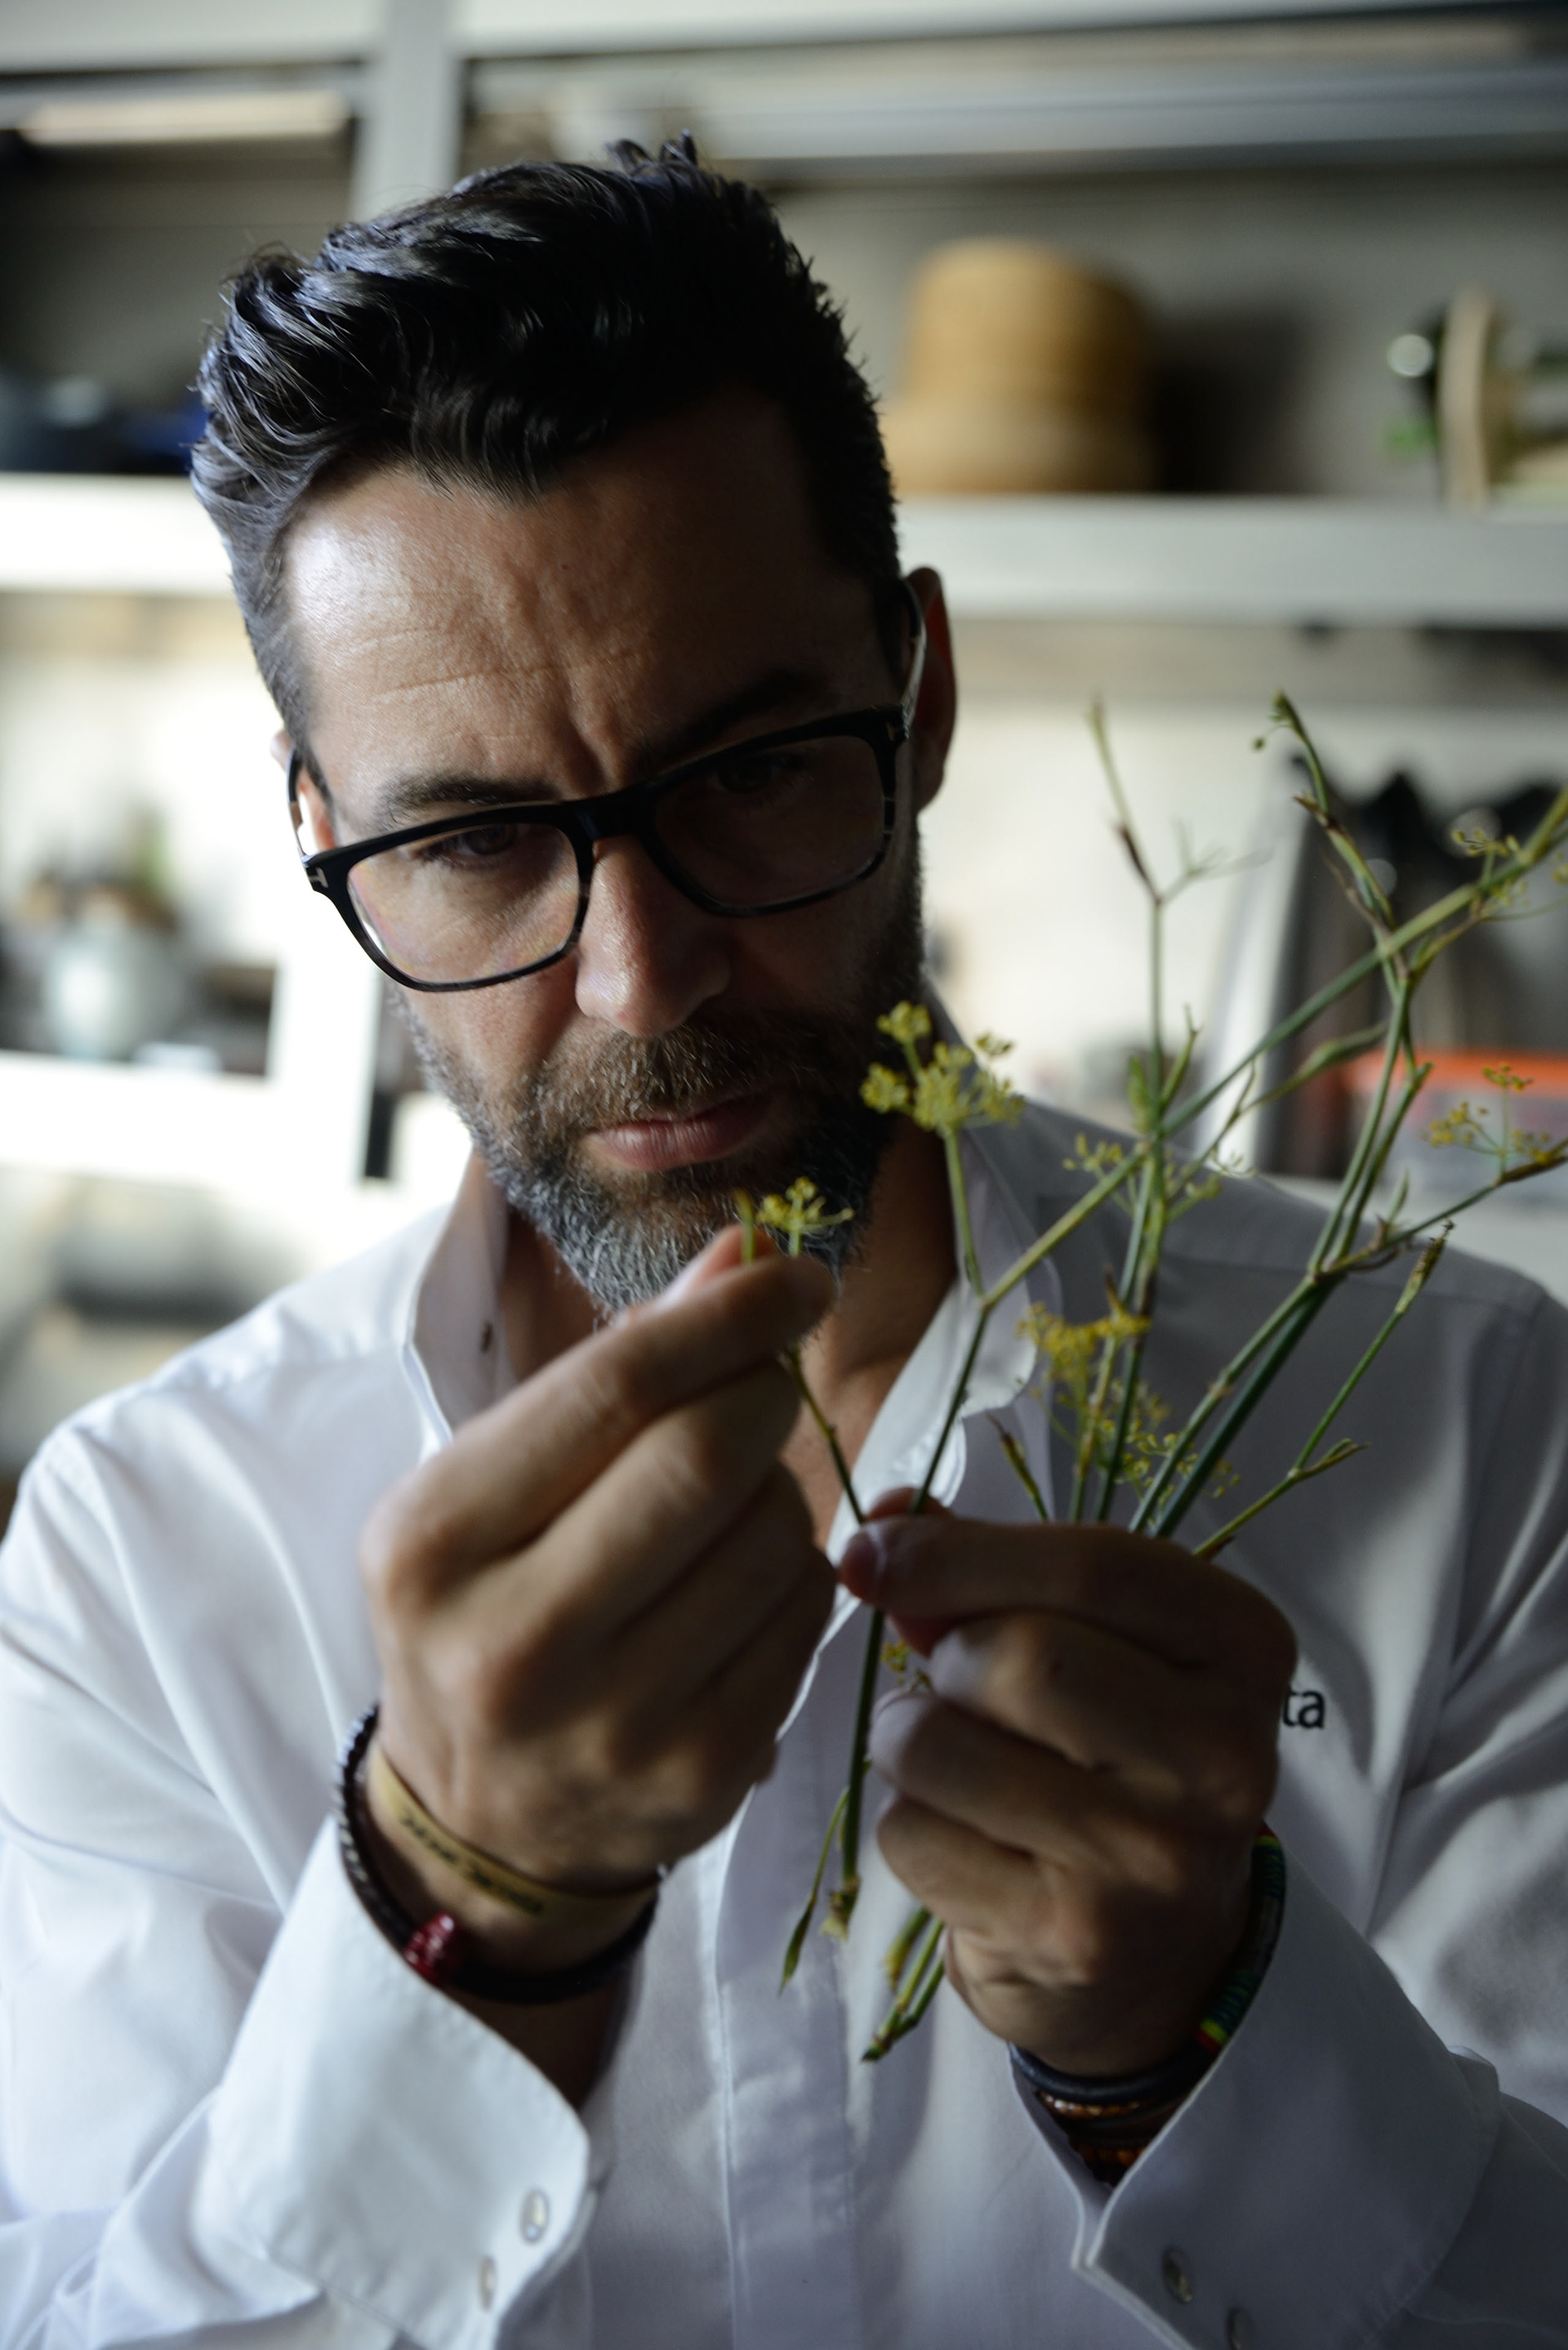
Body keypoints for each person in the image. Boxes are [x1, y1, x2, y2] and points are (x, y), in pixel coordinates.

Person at [2, 144, 1567, 2350]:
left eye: (746, 778)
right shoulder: (146, 1560)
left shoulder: (1467, 1425)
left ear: (917, 701)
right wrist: (454, 1925)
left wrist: (1203, 2037)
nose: (644, 982)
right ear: (321, 833)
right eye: (477, 841)